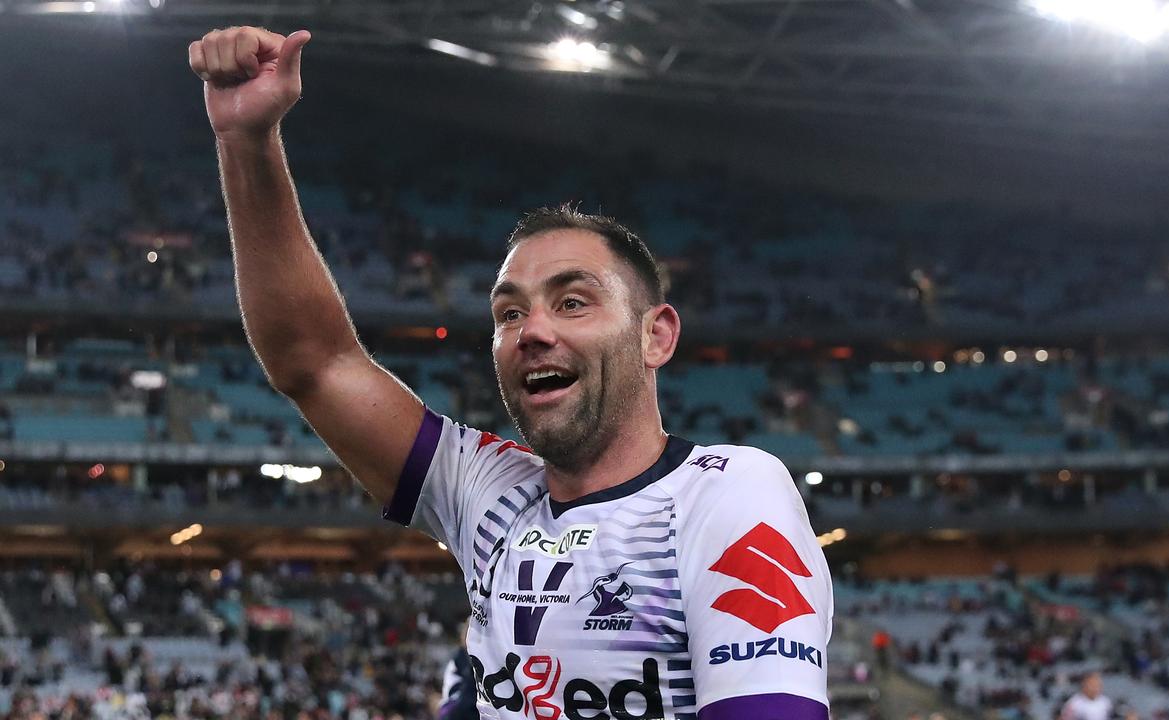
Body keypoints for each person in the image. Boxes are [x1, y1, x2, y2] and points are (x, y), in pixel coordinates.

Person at [188, 26, 831, 720]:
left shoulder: (727, 495)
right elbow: (313, 361)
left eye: (573, 302)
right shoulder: (488, 493)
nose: (533, 332)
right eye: (509, 313)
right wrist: (246, 142)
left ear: (656, 335)